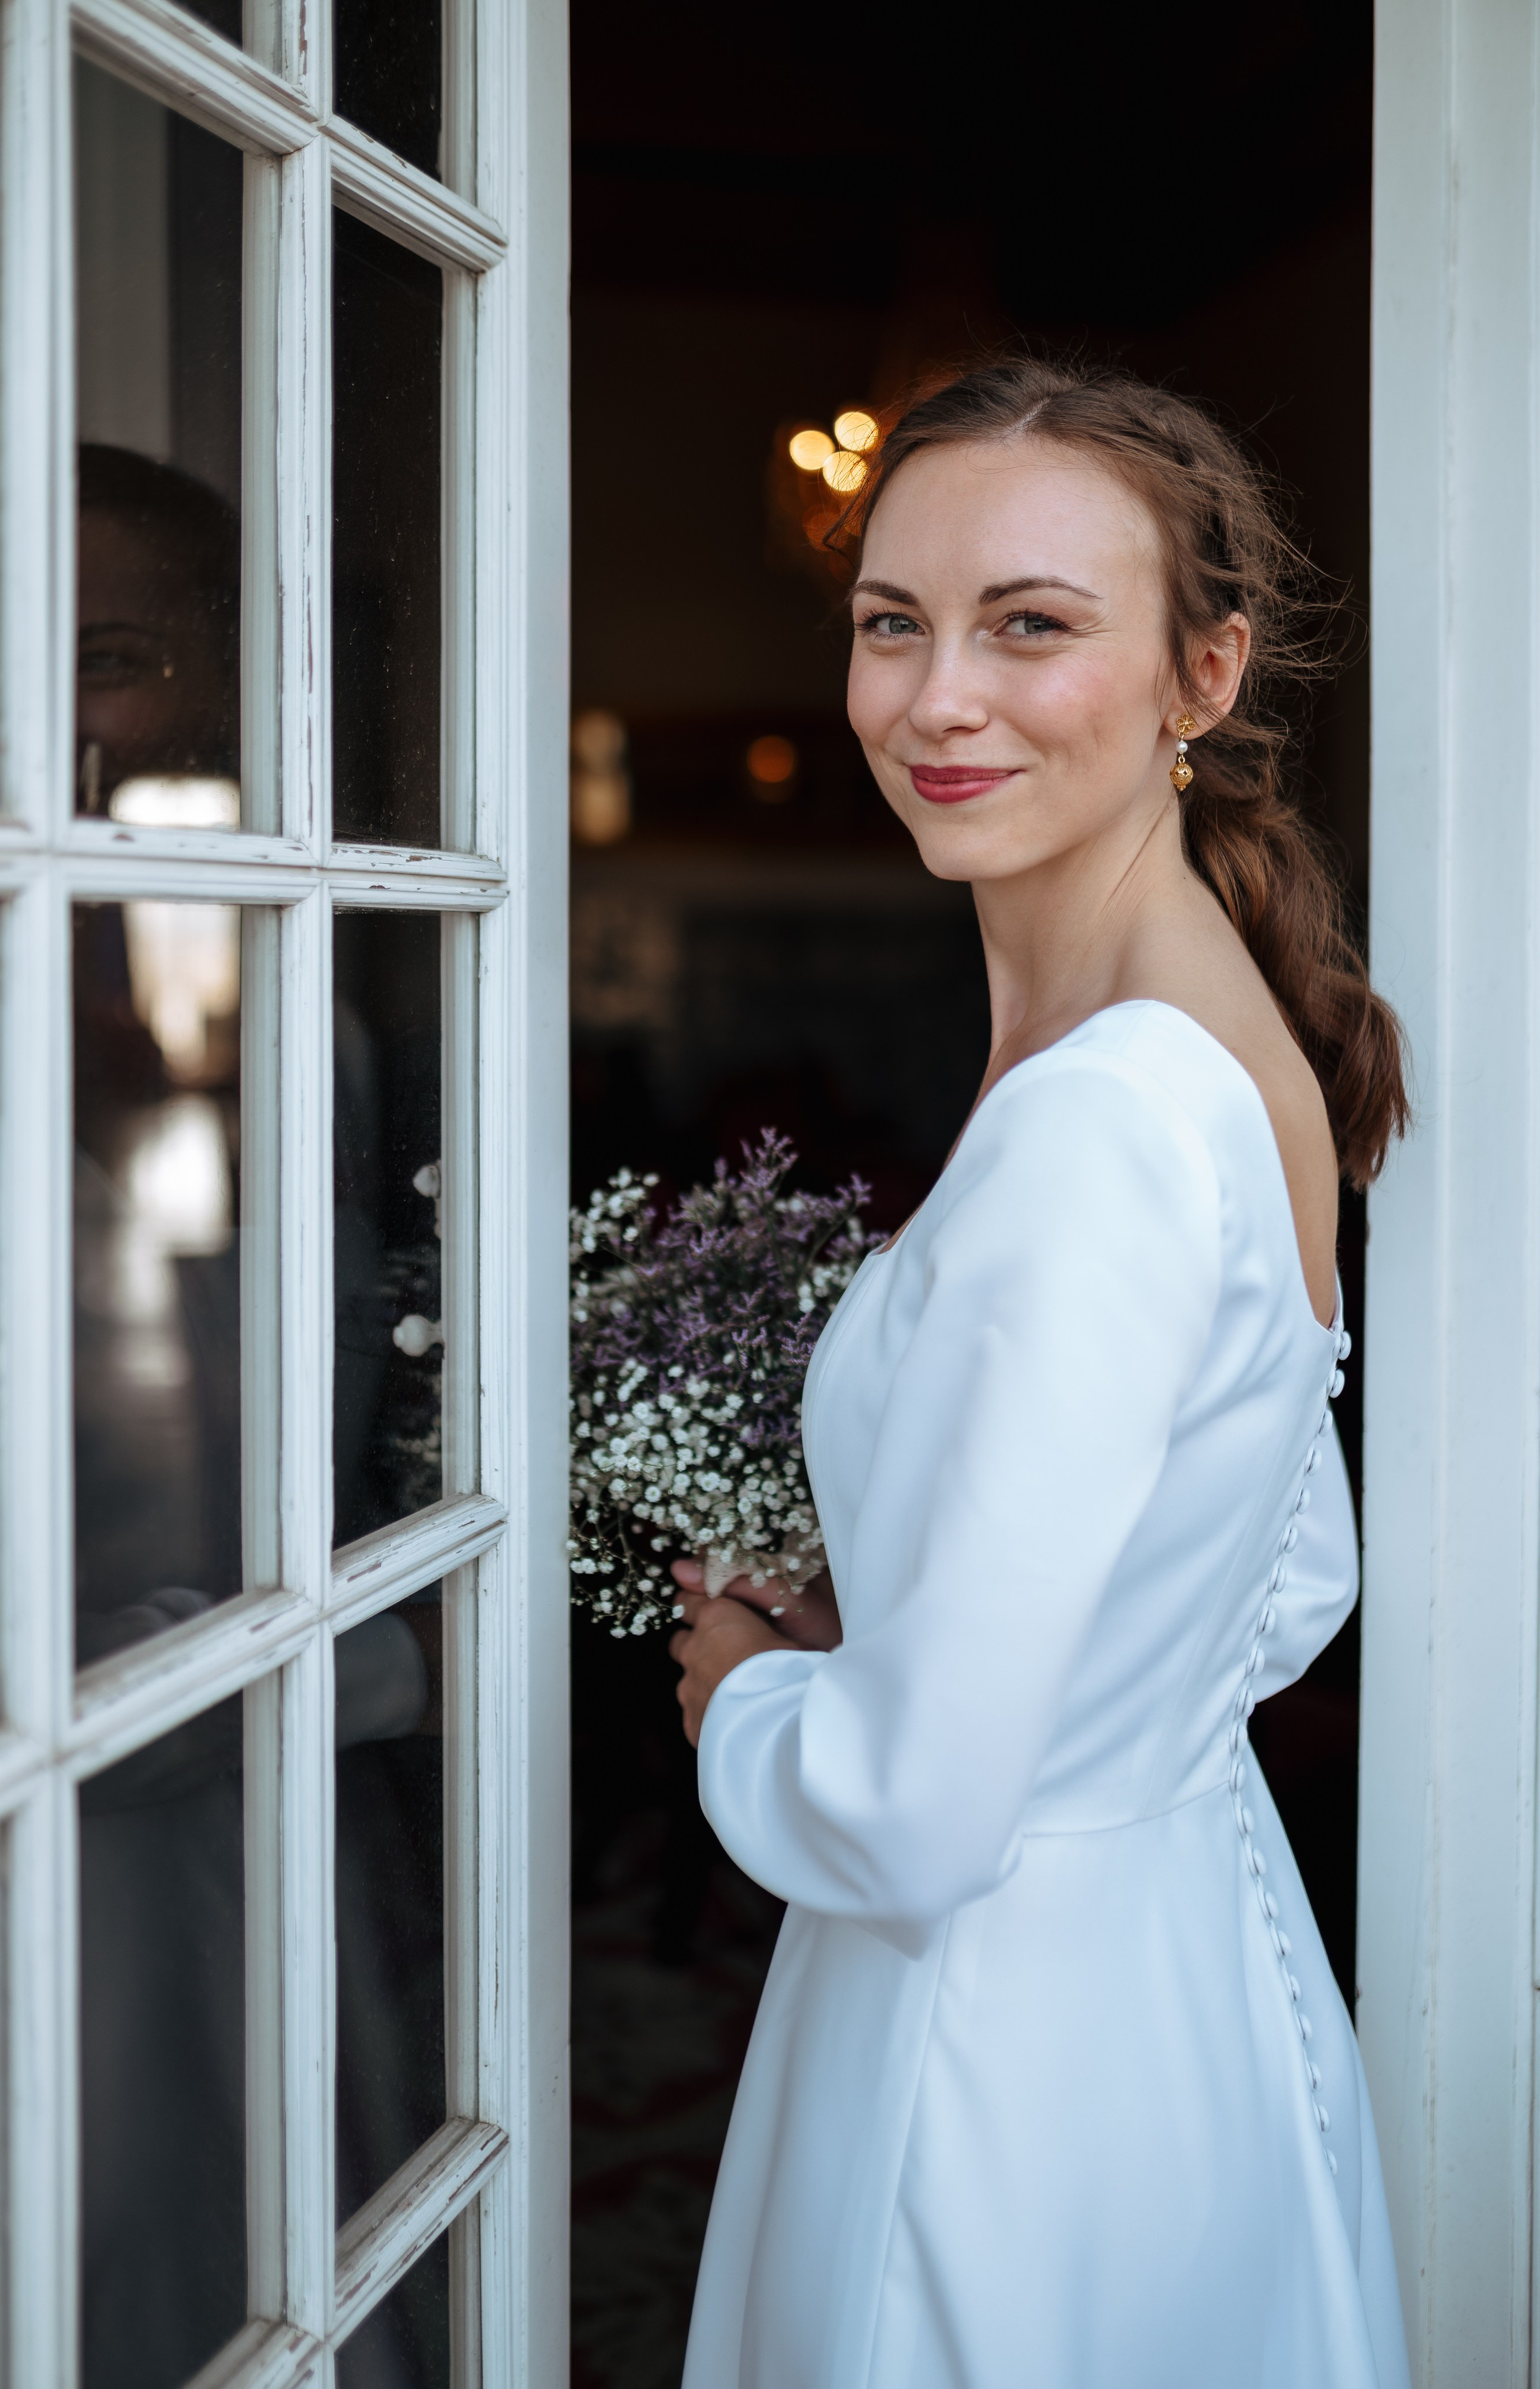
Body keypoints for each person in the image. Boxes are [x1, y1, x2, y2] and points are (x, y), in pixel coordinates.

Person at [669, 359, 1412, 2389]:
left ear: (1206, 673)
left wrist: (753, 1700)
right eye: (890, 623)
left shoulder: (1108, 1121)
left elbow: (909, 1819)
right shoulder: (1189, 1039)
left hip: (996, 2057)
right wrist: (917, 1630)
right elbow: (1267, 1584)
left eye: (1033, 624)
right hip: (1172, 1975)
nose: (936, 701)